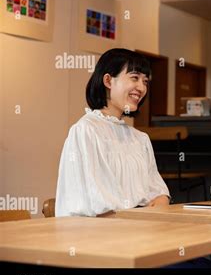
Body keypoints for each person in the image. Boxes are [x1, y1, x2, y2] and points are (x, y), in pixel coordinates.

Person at [55, 48, 170, 217]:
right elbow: (93, 205)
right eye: (134, 78)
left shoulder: (140, 138)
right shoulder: (85, 130)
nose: (141, 87)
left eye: (145, 81)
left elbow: (157, 191)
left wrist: (161, 199)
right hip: (98, 236)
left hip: (140, 231)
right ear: (108, 81)